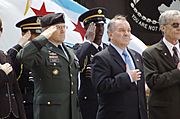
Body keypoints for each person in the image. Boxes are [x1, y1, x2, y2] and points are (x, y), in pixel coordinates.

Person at [16, 13, 82, 119]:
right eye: (58, 28)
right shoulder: (40, 50)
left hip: (71, 112)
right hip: (50, 113)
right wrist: (43, 37)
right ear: (47, 31)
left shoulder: (69, 51)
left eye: (64, 27)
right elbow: (22, 57)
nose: (63, 30)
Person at [91, 15, 148, 119]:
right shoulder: (101, 58)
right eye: (121, 30)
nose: (126, 33)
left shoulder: (136, 56)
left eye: (128, 30)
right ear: (110, 34)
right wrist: (128, 77)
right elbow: (101, 86)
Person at [142, 10, 180, 119]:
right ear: (163, 28)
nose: (179, 28)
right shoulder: (150, 53)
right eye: (175, 25)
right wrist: (177, 72)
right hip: (164, 112)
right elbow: (153, 82)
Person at [74, 7, 108, 119]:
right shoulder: (81, 48)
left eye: (102, 25)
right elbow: (76, 63)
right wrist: (88, 41)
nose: (100, 30)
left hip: (107, 101)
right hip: (88, 102)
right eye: (95, 26)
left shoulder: (108, 50)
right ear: (87, 28)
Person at [7, 16, 42, 119]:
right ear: (25, 35)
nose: (38, 39)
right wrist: (19, 45)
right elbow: (8, 62)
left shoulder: (45, 53)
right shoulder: (18, 54)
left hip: (44, 103)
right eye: (35, 35)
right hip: (26, 105)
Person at [0, 17, 26, 119]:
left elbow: (16, 90)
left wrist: (22, 115)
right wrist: (2, 73)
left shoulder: (4, 56)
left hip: (12, 114)